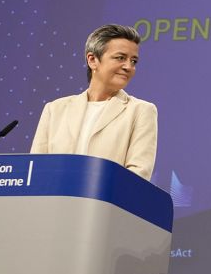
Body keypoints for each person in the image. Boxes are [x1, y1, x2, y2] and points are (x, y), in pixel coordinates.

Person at [30, 24, 157, 179]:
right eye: (120, 58)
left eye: (134, 61)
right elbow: (35, 170)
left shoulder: (141, 111)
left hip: (106, 202)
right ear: (92, 60)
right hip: (53, 200)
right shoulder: (55, 109)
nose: (128, 67)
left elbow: (138, 175)